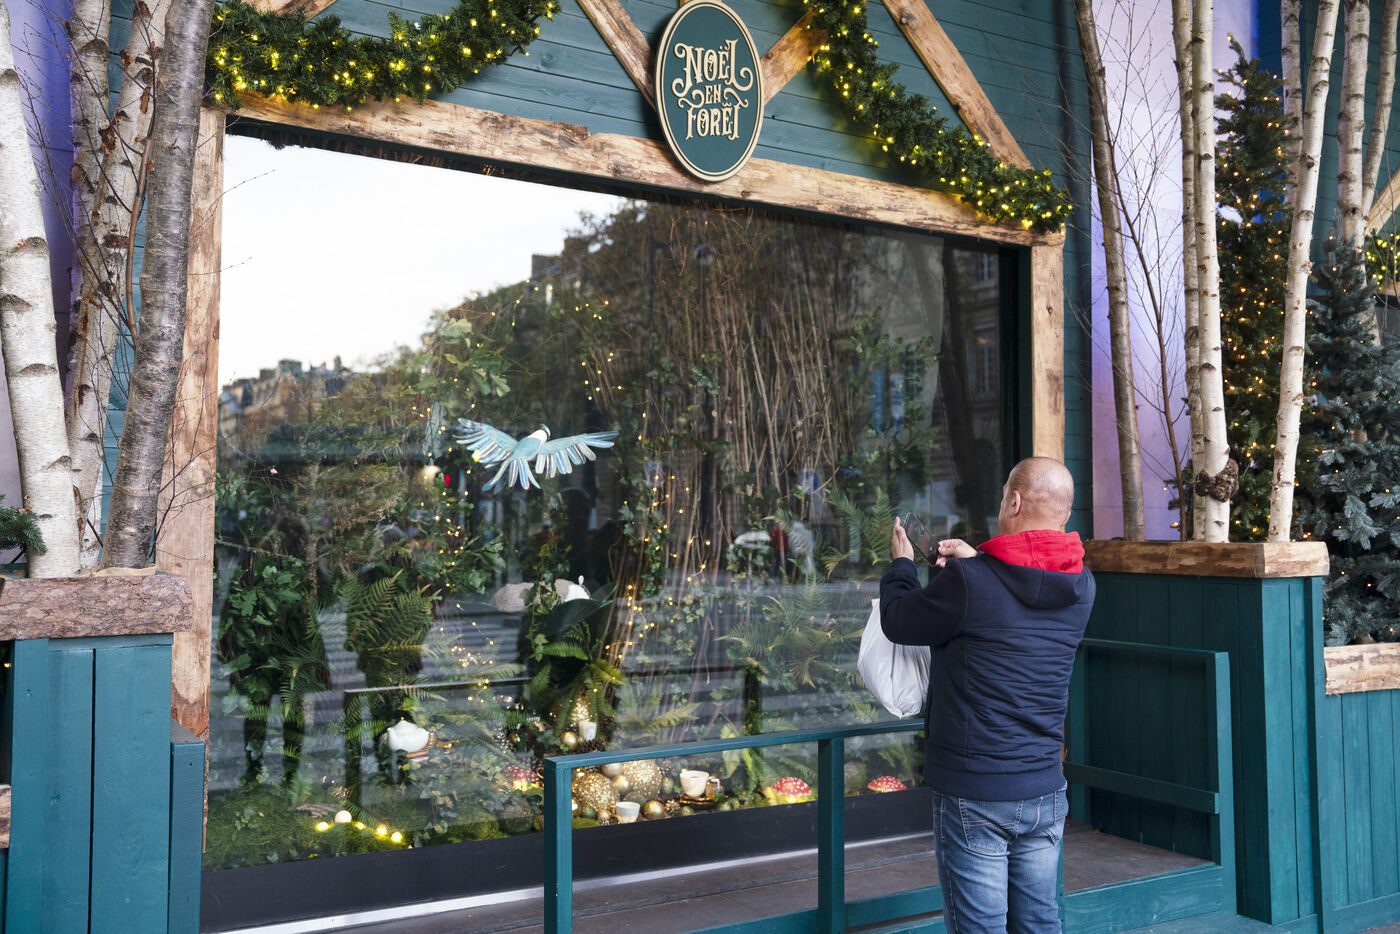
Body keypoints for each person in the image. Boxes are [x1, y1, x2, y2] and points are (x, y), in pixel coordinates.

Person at [881, 457, 1095, 934]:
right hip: (1044, 787)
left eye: (1002, 498)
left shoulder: (968, 583)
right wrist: (978, 561)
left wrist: (902, 565)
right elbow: (1023, 590)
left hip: (975, 791)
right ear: (1064, 513)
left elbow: (898, 620)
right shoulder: (1082, 585)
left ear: (1014, 502)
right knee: (1039, 923)